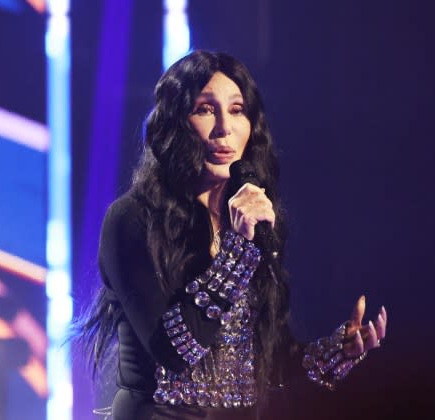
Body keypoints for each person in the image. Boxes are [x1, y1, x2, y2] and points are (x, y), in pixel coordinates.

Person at [75, 50, 388, 420]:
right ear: (176, 123)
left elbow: (263, 360)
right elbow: (175, 350)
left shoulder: (249, 218)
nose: (224, 127)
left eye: (237, 109)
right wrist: (239, 249)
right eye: (205, 109)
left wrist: (339, 350)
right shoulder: (131, 219)